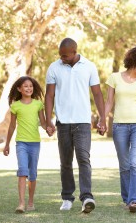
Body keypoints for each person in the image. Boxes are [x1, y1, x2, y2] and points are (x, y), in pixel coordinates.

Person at [45, 38, 107, 213]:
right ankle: (67, 197)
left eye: (65, 56)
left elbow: (97, 94)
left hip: (83, 122)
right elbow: (49, 95)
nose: (62, 58)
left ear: (74, 51)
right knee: (65, 162)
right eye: (60, 56)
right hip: (62, 122)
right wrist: (48, 119)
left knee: (83, 159)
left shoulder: (89, 66)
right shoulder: (54, 67)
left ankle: (87, 196)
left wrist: (102, 118)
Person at [104, 46, 136, 213]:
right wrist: (103, 120)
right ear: (135, 60)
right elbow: (109, 102)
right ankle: (127, 199)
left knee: (134, 163)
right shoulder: (114, 77)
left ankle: (135, 200)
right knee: (124, 165)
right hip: (119, 126)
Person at [3, 76, 46, 213]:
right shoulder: (15, 106)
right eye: (25, 86)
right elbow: (11, 126)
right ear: (19, 89)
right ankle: (21, 204)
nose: (29, 88)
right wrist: (7, 144)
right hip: (21, 143)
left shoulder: (38, 104)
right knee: (22, 171)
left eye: (31, 86)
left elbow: (43, 123)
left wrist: (49, 128)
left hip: (35, 144)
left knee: (32, 174)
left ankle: (30, 202)